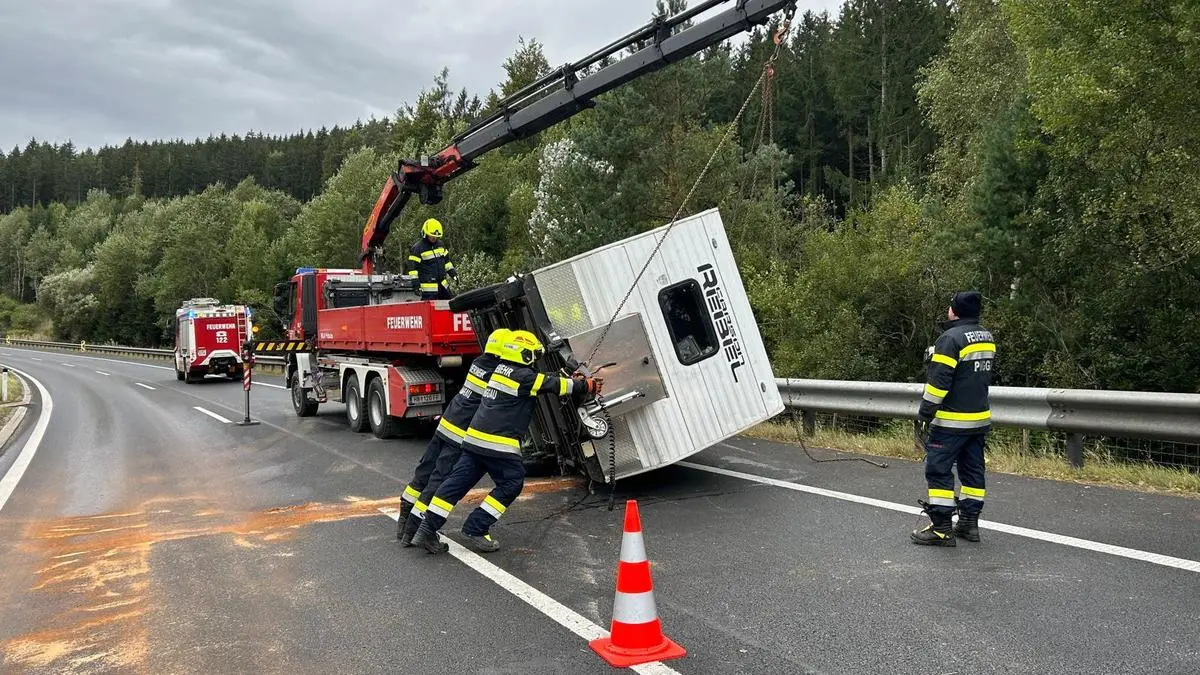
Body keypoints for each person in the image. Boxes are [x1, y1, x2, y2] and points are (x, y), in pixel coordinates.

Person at [410, 330, 602, 554]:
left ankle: (426, 529)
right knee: (512, 482)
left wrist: (567, 375)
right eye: (534, 355)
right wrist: (586, 386)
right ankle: (475, 528)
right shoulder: (524, 377)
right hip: (497, 443)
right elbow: (553, 385)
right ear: (525, 354)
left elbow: (544, 381)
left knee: (454, 485)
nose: (535, 359)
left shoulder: (502, 370)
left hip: (473, 440)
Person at [396, 328, 512, 545]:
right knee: (439, 480)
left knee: (424, 473)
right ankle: (416, 532)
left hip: (447, 423)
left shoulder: (478, 362)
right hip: (459, 432)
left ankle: (404, 523)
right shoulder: (497, 372)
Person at [911, 290, 996, 547]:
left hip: (951, 421)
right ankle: (969, 524)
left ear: (955, 311)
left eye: (950, 306)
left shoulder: (950, 339)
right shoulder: (986, 337)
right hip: (978, 420)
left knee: (938, 470)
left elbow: (939, 383)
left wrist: (925, 413)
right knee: (972, 471)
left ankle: (941, 529)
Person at [408, 218, 456, 299]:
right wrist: (416, 284)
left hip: (443, 286)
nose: (434, 238)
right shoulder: (418, 248)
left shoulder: (441, 245)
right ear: (425, 233)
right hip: (428, 290)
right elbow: (412, 269)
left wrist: (453, 274)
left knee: (450, 304)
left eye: (436, 236)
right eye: (432, 235)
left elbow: (447, 262)